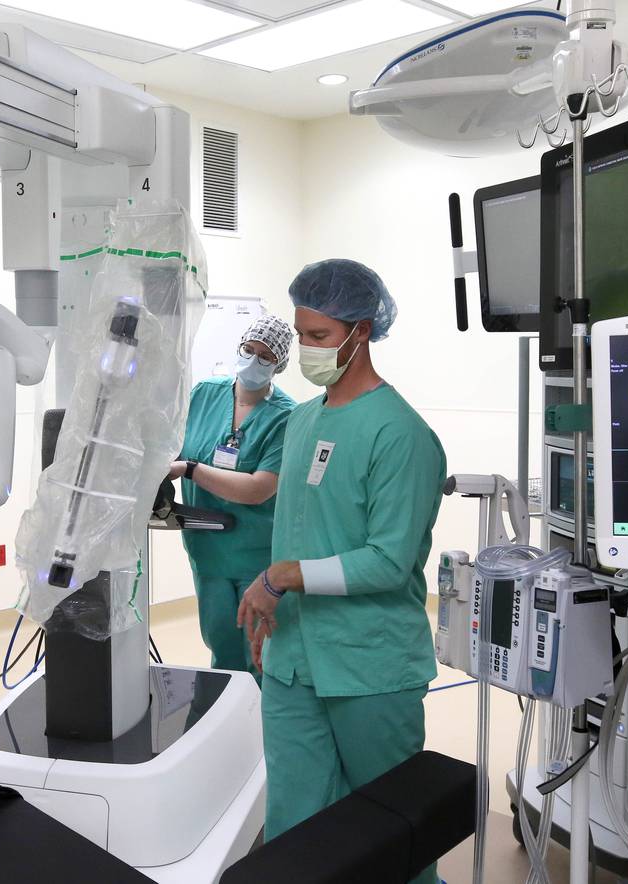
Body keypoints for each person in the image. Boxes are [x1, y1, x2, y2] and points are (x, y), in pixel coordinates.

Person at [237, 260, 446, 884]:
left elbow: (388, 560)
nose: (306, 349)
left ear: (361, 332)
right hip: (293, 661)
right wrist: (273, 613)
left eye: (320, 337)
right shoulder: (302, 421)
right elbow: (296, 527)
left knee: (392, 831)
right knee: (296, 825)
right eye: (301, 335)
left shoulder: (401, 434)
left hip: (369, 665)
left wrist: (280, 579)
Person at [168, 316, 295, 675]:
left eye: (266, 357)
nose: (254, 361)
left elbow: (258, 489)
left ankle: (262, 728)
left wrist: (190, 470)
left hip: (255, 554)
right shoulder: (205, 394)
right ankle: (225, 721)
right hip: (206, 549)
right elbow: (172, 445)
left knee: (260, 657)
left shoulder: (286, 418)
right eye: (249, 350)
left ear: (279, 366)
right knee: (221, 648)